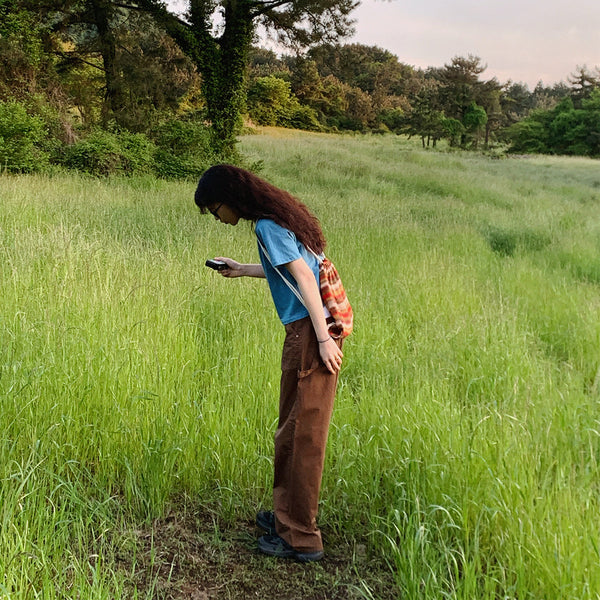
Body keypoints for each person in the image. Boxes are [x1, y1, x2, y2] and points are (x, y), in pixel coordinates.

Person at [194, 164, 345, 563]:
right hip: (308, 332)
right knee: (291, 431)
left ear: (231, 198)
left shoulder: (266, 226)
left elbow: (306, 280)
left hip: (308, 334)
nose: (217, 216)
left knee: (301, 436)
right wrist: (242, 270)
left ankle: (300, 536)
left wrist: (323, 338)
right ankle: (285, 518)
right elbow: (292, 271)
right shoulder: (277, 220)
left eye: (214, 208)